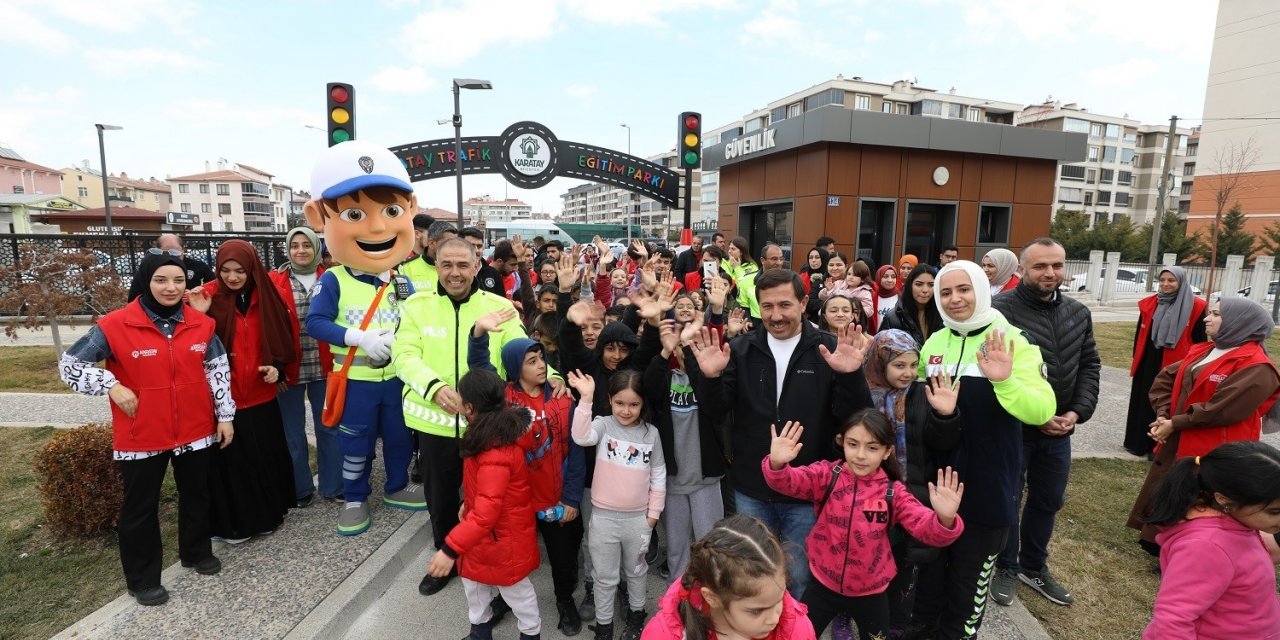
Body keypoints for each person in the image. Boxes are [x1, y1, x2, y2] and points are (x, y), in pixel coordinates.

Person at [59, 250, 234, 606]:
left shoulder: (203, 324)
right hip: (141, 435)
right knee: (140, 507)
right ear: (145, 281)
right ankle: (143, 580)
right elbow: (70, 365)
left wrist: (225, 415)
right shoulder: (114, 325)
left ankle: (196, 552)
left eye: (178, 280)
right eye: (161, 280)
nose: (170, 287)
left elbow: (217, 369)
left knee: (197, 494)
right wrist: (111, 384)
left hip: (196, 429)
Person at [690, 269, 874, 598]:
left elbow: (853, 420)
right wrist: (709, 378)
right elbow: (717, 411)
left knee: (801, 576)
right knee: (754, 575)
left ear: (804, 302)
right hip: (751, 487)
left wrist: (850, 377)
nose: (776, 315)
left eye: (785, 305)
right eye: (767, 306)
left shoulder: (828, 349)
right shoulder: (741, 349)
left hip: (807, 489)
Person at [909, 260, 1055, 640]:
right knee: (927, 590)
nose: (955, 299)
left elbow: (1042, 410)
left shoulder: (1012, 339)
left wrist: (1005, 382)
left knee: (964, 600)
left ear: (982, 289)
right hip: (936, 490)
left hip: (988, 492)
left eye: (964, 289)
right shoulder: (935, 343)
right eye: (946, 292)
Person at [395, 237, 546, 595]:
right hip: (434, 424)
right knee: (441, 498)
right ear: (436, 265)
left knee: (491, 500)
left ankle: (492, 563)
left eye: (463, 265)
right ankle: (445, 559)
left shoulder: (497, 306)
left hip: (487, 427)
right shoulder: (417, 305)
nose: (455, 272)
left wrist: (552, 377)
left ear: (477, 266)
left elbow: (521, 354)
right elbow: (403, 356)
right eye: (447, 264)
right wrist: (433, 387)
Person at [303, 140, 428, 537]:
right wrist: (359, 337)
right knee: (355, 443)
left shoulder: (402, 279)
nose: (377, 228)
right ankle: (355, 497)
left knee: (398, 437)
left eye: (391, 212)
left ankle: (396, 486)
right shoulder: (333, 279)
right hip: (355, 380)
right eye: (355, 214)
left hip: (396, 379)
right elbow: (316, 324)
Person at [764, 412, 965, 639]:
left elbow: (925, 528)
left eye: (872, 447)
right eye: (853, 444)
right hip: (822, 584)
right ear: (842, 442)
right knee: (798, 635)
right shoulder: (827, 475)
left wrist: (945, 519)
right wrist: (777, 463)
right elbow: (787, 482)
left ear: (887, 451)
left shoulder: (893, 493)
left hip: (871, 593)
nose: (860, 455)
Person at [989, 238, 1101, 608]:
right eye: (1040, 266)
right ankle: (1006, 564)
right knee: (1009, 498)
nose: (1050, 273)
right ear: (1022, 269)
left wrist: (1075, 413)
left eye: (1056, 265)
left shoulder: (1077, 312)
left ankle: (1033, 566)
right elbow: (991, 372)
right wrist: (1034, 415)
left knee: (1049, 499)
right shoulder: (999, 311)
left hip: (1059, 429)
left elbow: (1089, 365)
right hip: (1014, 428)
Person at [1127, 297, 1280, 556]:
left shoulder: (1257, 367)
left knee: (1204, 498)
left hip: (1218, 447)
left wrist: (1174, 422)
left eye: (1216, 314)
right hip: (1183, 435)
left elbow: (1223, 409)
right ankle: (1161, 541)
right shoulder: (1205, 350)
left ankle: (1195, 552)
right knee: (1176, 487)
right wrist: (1165, 415)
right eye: (1210, 312)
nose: (1207, 318)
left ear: (1239, 322)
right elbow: (1166, 379)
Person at [468, 328, 586, 636]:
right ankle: (507, 598)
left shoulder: (562, 400)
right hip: (515, 502)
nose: (541, 365)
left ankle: (564, 601)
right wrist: (479, 333)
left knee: (563, 558)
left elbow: (576, 452)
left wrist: (572, 499)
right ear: (514, 368)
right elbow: (479, 367)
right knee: (509, 555)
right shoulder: (504, 400)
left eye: (541, 359)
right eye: (531, 361)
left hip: (555, 499)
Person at [188, 240, 298, 543]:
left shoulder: (265, 293)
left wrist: (277, 369)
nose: (233, 277)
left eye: (240, 270)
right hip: (224, 399)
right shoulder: (205, 296)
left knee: (263, 459)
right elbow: (192, 347)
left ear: (252, 268)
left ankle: (268, 517)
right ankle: (233, 526)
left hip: (260, 394)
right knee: (231, 465)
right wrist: (202, 315)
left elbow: (281, 338)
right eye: (225, 270)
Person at [425, 369, 543, 640]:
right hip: (482, 536)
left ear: (469, 406)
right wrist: (469, 501)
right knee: (474, 585)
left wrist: (449, 549)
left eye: (459, 393)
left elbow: (488, 511)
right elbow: (487, 492)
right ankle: (479, 630)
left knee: (516, 592)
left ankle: (530, 634)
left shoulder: (495, 450)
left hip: (501, 538)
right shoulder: (486, 432)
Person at [863, 329, 960, 636]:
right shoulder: (865, 395)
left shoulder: (922, 395)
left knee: (907, 567)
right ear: (880, 363)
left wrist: (945, 415)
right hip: (874, 496)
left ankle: (898, 623)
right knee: (871, 561)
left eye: (912, 365)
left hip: (913, 495)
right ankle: (864, 616)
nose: (907, 373)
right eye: (898, 365)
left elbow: (940, 443)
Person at [1141, 441, 1280, 639]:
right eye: (1274, 512)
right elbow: (1173, 620)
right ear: (1224, 499)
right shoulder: (1207, 546)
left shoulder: (1241, 523)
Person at [569, 369, 667, 640]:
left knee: (636, 572)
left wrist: (652, 516)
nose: (626, 410)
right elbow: (581, 436)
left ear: (643, 403)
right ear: (610, 400)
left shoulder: (651, 434)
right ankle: (604, 628)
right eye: (620, 403)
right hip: (603, 519)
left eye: (634, 404)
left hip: (638, 521)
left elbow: (658, 474)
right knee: (604, 577)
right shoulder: (603, 424)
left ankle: (636, 619)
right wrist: (585, 399)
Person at [642, 514, 816, 640]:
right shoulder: (664, 634)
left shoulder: (797, 628)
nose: (774, 618)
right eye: (757, 611)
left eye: (779, 599)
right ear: (711, 597)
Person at [644, 318, 726, 582]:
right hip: (673, 478)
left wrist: (692, 356)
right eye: (680, 346)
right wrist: (665, 351)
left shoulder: (710, 380)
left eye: (689, 346)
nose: (683, 351)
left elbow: (714, 405)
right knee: (677, 547)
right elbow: (649, 387)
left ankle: (709, 593)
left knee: (709, 544)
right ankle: (676, 598)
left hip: (705, 477)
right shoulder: (666, 378)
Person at [269, 227, 341, 507]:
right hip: (290, 368)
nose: (300, 250)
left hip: (325, 365)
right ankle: (300, 489)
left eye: (306, 245)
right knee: (293, 433)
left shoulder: (331, 277)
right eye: (295, 245)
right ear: (288, 249)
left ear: (316, 248)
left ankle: (333, 485)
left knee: (329, 428)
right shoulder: (274, 280)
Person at [1123, 266, 1208, 458]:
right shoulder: (1150, 303)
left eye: (1171, 280)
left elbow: (1201, 341)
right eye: (1162, 280)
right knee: (1144, 399)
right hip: (1148, 360)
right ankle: (1137, 443)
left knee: (1167, 402)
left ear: (1181, 282)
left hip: (1175, 363)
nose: (1166, 284)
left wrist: (1196, 367)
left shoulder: (1196, 306)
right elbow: (1140, 335)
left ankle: (1159, 449)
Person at [880, 265, 942, 345]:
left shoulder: (943, 316)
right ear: (910, 285)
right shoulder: (893, 318)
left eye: (931, 285)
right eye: (919, 284)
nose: (925, 290)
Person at [400, 219, 457, 293]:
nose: (454, 248)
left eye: (456, 243)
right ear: (431, 243)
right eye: (448, 243)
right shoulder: (406, 268)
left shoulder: (458, 269)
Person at [723, 237, 761, 322]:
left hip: (743, 306)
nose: (729, 251)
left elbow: (744, 288)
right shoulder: (725, 263)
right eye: (729, 248)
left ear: (741, 252)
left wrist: (737, 268)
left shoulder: (751, 267)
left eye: (733, 249)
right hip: (726, 302)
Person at [872, 265, 901, 332]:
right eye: (885, 276)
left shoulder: (901, 298)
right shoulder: (872, 297)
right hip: (876, 339)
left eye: (893, 277)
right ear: (879, 278)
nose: (890, 280)